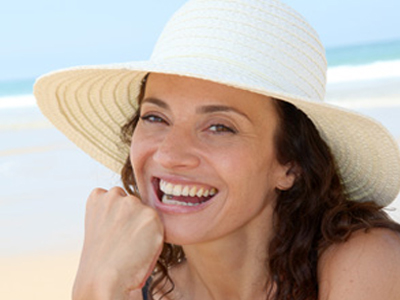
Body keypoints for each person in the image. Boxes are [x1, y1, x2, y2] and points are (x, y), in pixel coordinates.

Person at [34, 0, 400, 299]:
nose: (169, 155)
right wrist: (99, 281)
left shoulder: (365, 261)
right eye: (155, 118)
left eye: (219, 127)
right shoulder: (136, 290)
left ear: (290, 164)